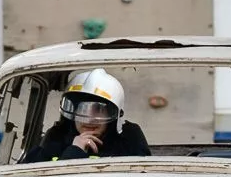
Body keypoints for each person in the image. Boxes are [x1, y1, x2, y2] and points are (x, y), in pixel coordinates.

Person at [23, 68, 151, 162]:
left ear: (113, 114)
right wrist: (74, 151)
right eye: (82, 109)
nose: (89, 119)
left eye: (98, 109)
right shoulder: (56, 139)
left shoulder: (129, 140)